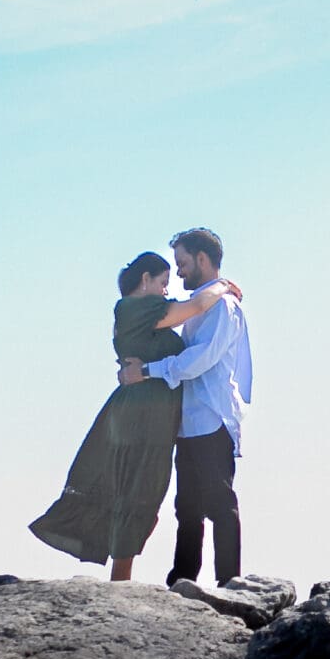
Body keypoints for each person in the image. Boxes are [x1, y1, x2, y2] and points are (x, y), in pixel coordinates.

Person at [31, 251, 241, 581]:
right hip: (140, 414)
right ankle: (121, 583)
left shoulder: (147, 312)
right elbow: (197, 307)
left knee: (144, 492)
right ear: (145, 280)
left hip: (156, 417)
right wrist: (224, 286)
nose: (165, 291)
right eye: (162, 283)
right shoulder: (134, 308)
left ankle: (124, 580)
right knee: (134, 489)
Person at [119, 226, 253, 592]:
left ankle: (230, 583)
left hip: (211, 417)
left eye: (182, 263)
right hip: (186, 422)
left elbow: (198, 360)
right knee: (187, 510)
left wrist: (147, 372)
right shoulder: (198, 305)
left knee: (220, 504)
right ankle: (182, 582)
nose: (178, 272)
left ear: (203, 260)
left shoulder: (223, 307)